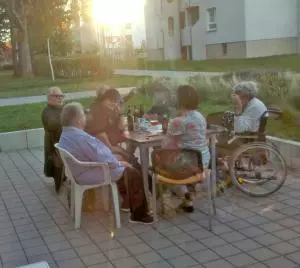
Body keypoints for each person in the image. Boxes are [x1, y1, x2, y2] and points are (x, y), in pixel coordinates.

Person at [59, 102, 154, 225]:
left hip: (82, 170)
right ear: (78, 120)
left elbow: (99, 155)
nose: (85, 118)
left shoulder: (66, 133)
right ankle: (138, 214)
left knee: (125, 162)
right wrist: (119, 164)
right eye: (83, 115)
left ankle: (131, 201)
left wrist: (117, 160)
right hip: (88, 172)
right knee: (131, 171)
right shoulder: (80, 137)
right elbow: (102, 157)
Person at [162, 85, 210, 213]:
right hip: (203, 161)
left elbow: (165, 146)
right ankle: (188, 198)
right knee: (178, 160)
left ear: (179, 100)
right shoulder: (200, 116)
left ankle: (183, 193)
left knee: (158, 167)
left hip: (188, 165)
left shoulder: (178, 121)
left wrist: (169, 130)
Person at [42, 87, 65, 192]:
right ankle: (58, 185)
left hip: (64, 139)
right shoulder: (46, 111)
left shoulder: (64, 108)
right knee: (56, 163)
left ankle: (64, 177)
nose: (60, 98)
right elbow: (50, 125)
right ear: (49, 97)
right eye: (57, 96)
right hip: (53, 141)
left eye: (61, 96)